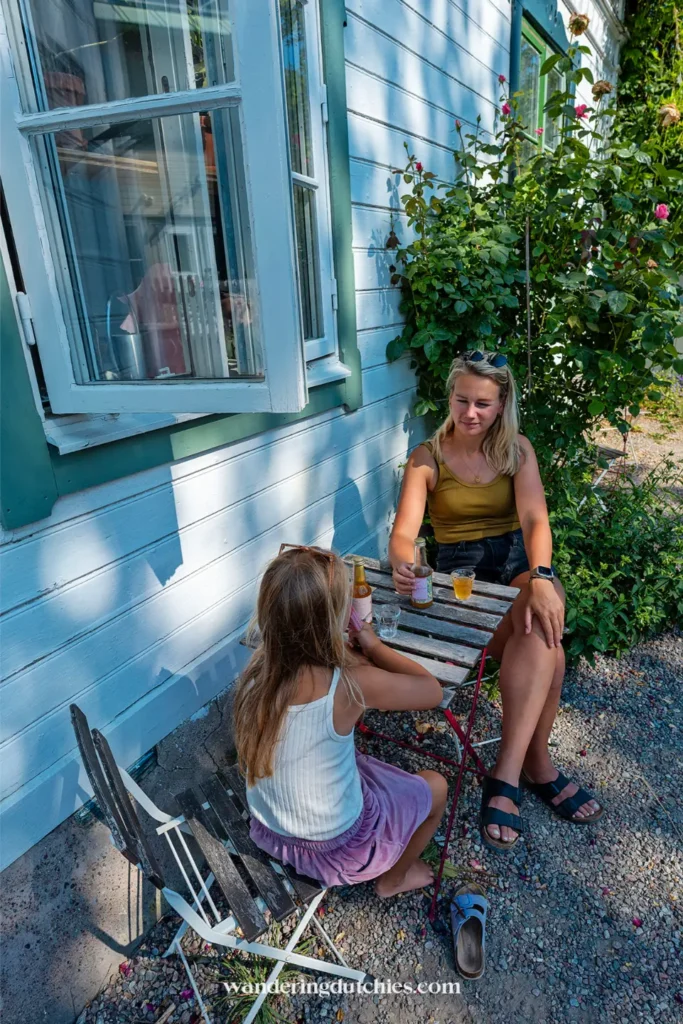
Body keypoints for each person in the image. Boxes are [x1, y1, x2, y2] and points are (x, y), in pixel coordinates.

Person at [389, 351, 603, 851]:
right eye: (462, 400)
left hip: (515, 569)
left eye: (483, 403)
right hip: (460, 580)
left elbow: (534, 522)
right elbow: (403, 534)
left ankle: (505, 773)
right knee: (550, 646)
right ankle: (535, 766)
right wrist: (404, 563)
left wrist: (544, 577)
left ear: (502, 402)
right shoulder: (427, 457)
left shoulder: (517, 451)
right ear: (450, 397)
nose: (470, 413)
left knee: (541, 603)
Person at [232, 544, 449, 897]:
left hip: (272, 833)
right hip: (343, 854)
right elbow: (431, 691)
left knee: (359, 763)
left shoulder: (256, 675)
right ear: (333, 619)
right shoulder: (348, 687)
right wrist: (374, 646)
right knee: (435, 785)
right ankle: (393, 880)